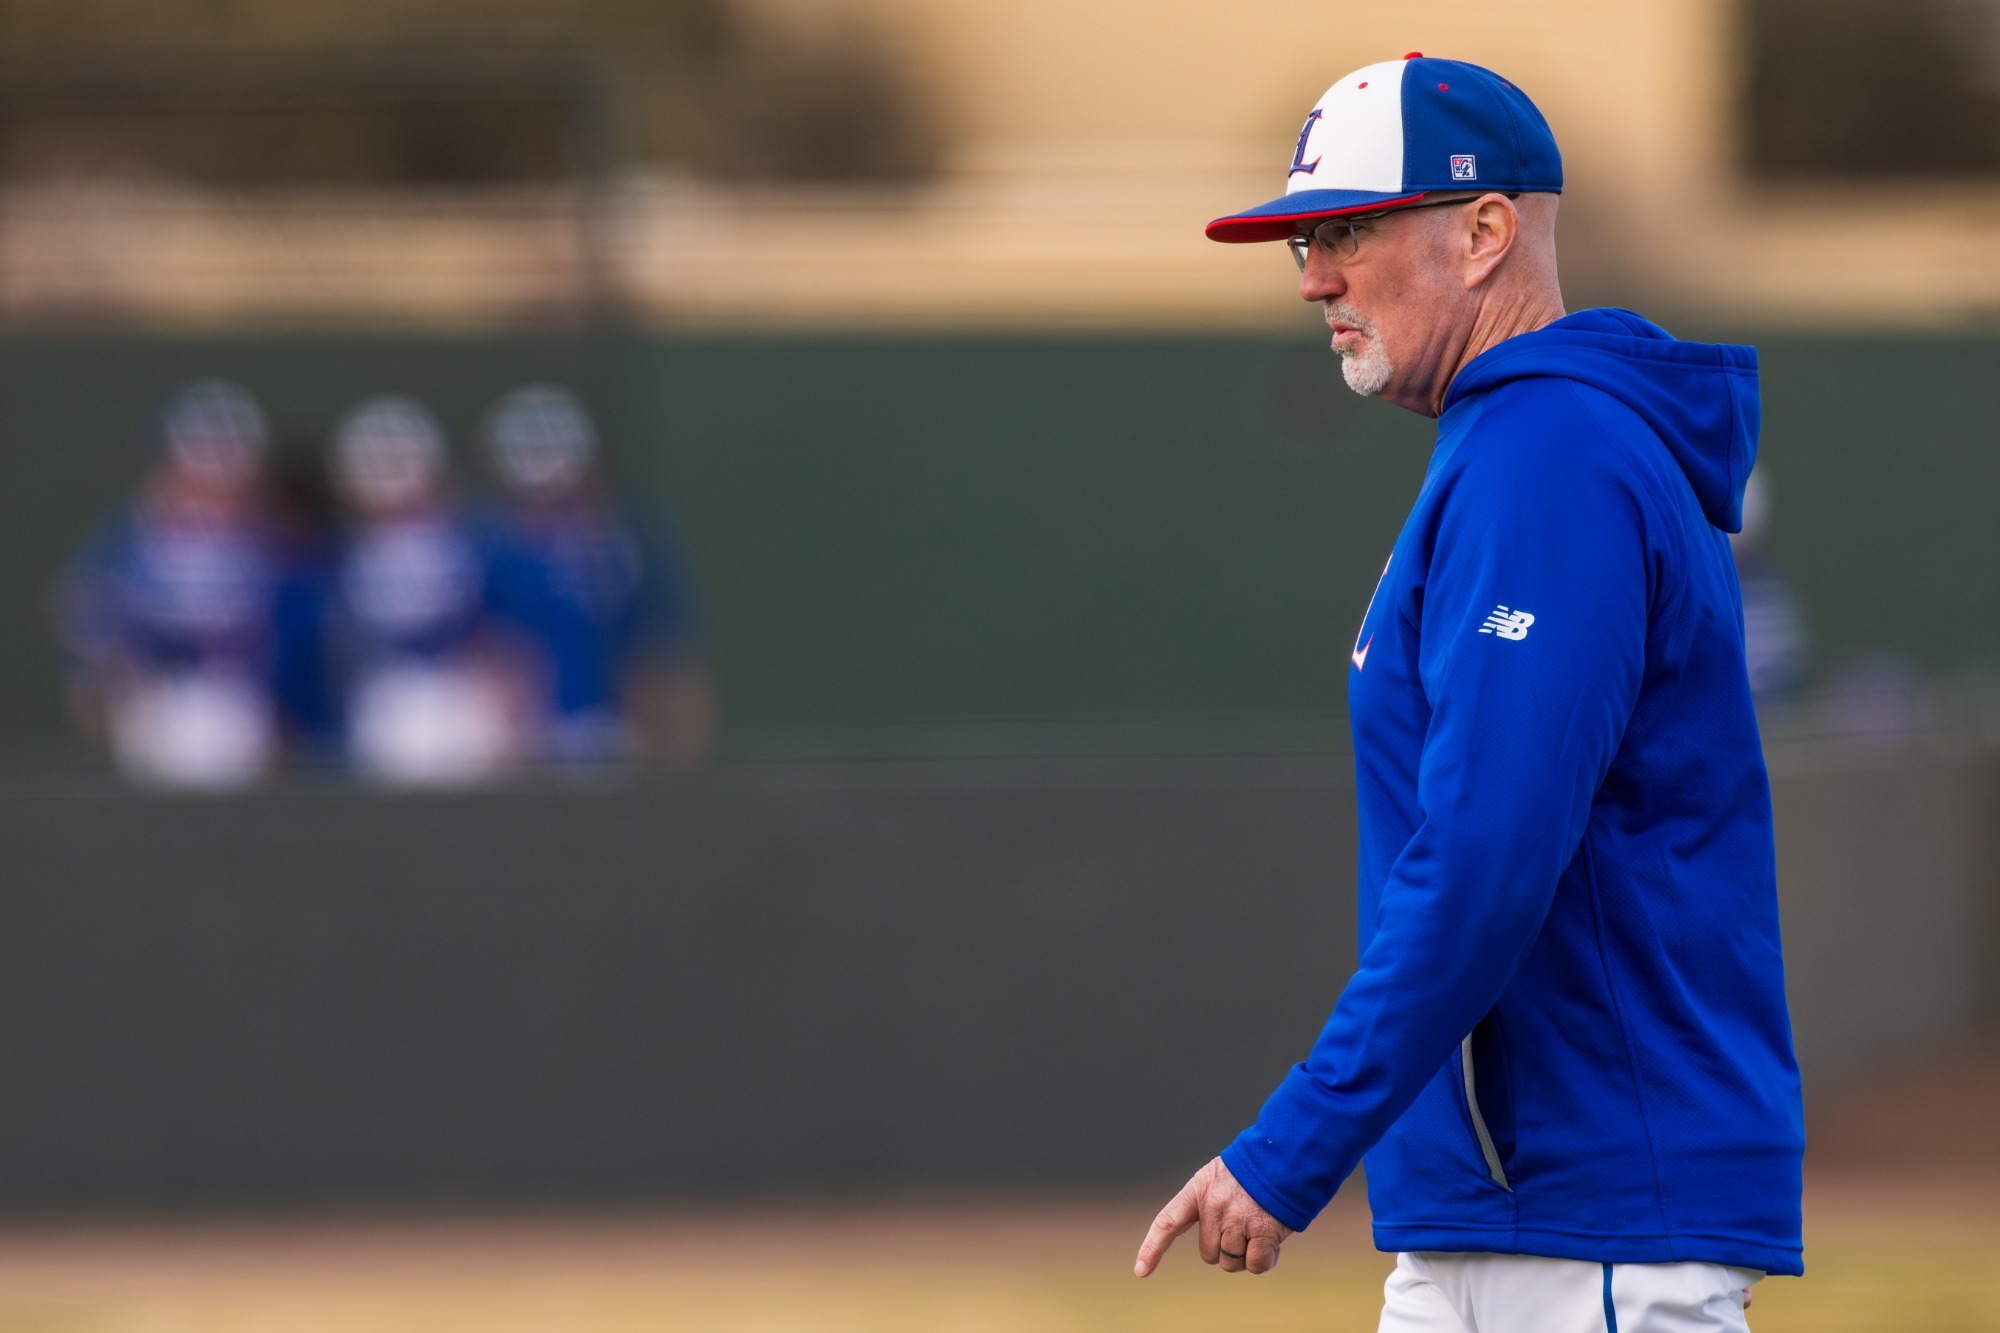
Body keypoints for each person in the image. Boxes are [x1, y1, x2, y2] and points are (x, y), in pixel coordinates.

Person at [1132, 55, 1803, 1331]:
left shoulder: (1552, 454)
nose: (1313, 277)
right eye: (1304, 244)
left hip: (1587, 1216)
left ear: (1485, 231)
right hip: (1507, 1213)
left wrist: (1292, 1144)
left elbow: (1488, 850)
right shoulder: (1514, 442)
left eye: (1347, 232)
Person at [54, 379, 297, 787]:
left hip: (245, 703)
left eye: (227, 468)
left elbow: (300, 631)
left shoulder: (274, 542)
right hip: (159, 699)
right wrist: (104, 679)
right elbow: (89, 613)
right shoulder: (131, 539)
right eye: (198, 465)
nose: (212, 485)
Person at [480, 385, 713, 767]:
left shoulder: (632, 539)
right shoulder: (495, 546)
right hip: (524, 737)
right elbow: (492, 654)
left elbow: (665, 653)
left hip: (618, 732)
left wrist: (674, 734)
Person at [324, 394, 525, 786]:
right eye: (379, 464)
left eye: (401, 462)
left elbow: (500, 628)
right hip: (385, 692)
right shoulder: (342, 553)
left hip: (462, 686)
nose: (393, 476)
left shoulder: (475, 541)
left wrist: (503, 679)